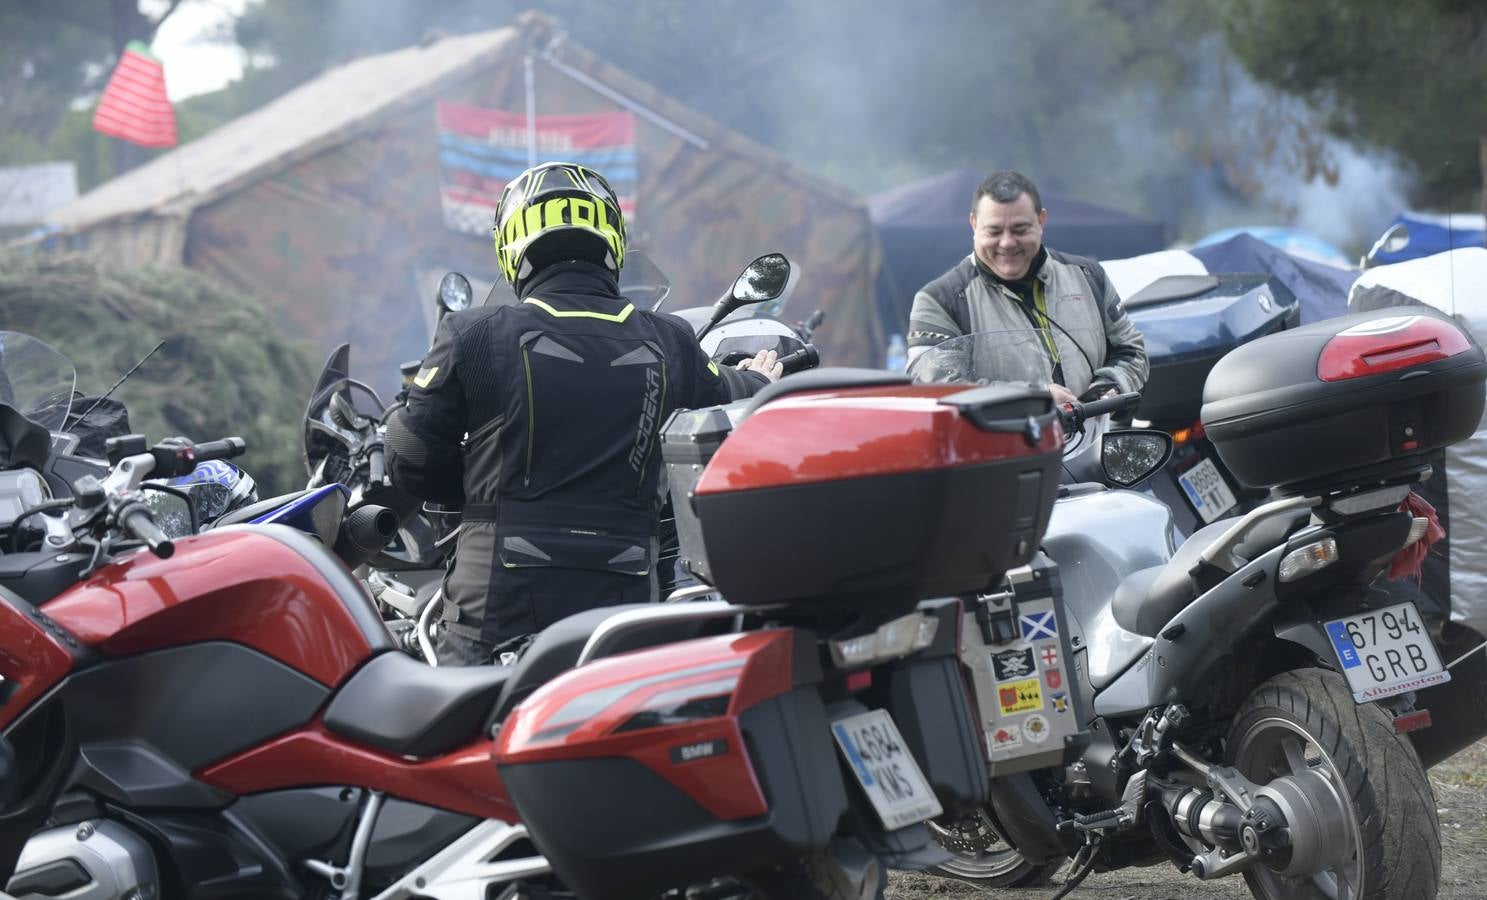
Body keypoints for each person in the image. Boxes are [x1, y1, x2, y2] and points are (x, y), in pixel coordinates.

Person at [385, 162, 781, 665]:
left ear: (515, 248)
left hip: (495, 607)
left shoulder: (473, 332)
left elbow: (411, 460)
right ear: (609, 240)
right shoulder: (671, 341)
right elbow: (733, 391)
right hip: (623, 603)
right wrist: (760, 378)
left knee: (450, 735)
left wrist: (474, 484)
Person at [905, 170, 1147, 405]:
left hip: (1092, 441)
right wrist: (1033, 399)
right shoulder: (939, 300)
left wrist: (1109, 388)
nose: (1008, 242)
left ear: (1041, 221)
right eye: (994, 231)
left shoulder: (1090, 276)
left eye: (1020, 229)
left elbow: (1132, 350)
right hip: (1003, 445)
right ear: (974, 224)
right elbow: (935, 388)